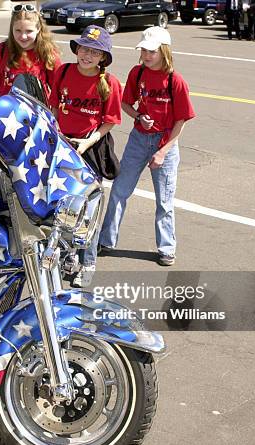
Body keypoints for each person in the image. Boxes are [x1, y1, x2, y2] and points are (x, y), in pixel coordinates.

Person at [98, 27, 195, 266]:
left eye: (151, 51)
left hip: (165, 142)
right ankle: (106, 240)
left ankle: (166, 248)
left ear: (163, 51)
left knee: (164, 200)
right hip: (139, 139)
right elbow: (126, 103)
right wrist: (139, 116)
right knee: (120, 190)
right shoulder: (137, 73)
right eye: (143, 50)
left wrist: (163, 151)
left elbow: (180, 121)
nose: (146, 55)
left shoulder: (175, 81)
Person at [49, 25, 122, 287]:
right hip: (63, 145)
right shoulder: (64, 71)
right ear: (76, 49)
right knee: (62, 205)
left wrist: (85, 142)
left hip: (90, 148)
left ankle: (87, 261)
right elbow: (54, 107)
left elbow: (109, 121)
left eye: (94, 52)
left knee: (87, 210)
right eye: (84, 49)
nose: (87, 55)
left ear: (103, 57)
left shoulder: (110, 83)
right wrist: (56, 137)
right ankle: (69, 256)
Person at [0, 4, 61, 101]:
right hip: (6, 112)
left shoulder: (48, 52)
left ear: (38, 29)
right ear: (12, 29)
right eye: (18, 30)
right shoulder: (2, 50)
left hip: (37, 112)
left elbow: (58, 91)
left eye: (29, 31)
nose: (23, 36)